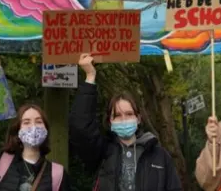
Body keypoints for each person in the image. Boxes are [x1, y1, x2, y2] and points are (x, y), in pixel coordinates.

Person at [70, 53, 182, 191]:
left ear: (138, 118)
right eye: (117, 115)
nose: (124, 119)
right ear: (110, 121)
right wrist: (90, 76)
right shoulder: (102, 152)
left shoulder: (160, 156)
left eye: (129, 114)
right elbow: (80, 127)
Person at [0, 104, 69, 191]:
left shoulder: (57, 173)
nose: (33, 127)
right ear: (17, 131)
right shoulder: (1, 161)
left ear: (46, 129)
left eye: (38, 122)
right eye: (26, 122)